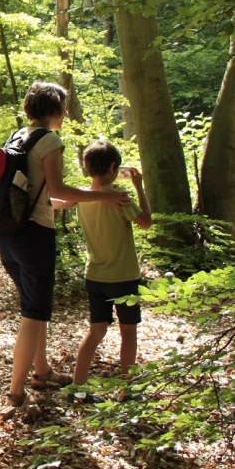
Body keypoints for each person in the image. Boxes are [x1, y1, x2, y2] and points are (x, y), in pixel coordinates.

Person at [0, 81, 130, 420]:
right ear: (55, 110)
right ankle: (15, 392)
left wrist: (71, 203)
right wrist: (103, 195)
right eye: (63, 108)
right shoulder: (50, 140)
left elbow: (45, 196)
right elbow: (57, 187)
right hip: (34, 237)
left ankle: (41, 371)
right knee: (33, 313)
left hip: (8, 233)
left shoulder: (16, 137)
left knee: (35, 307)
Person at [70, 140, 152, 398]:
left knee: (96, 331)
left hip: (94, 275)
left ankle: (78, 388)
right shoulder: (119, 197)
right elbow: (146, 222)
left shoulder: (82, 197)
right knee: (128, 332)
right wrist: (139, 186)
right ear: (114, 167)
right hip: (123, 276)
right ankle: (127, 390)